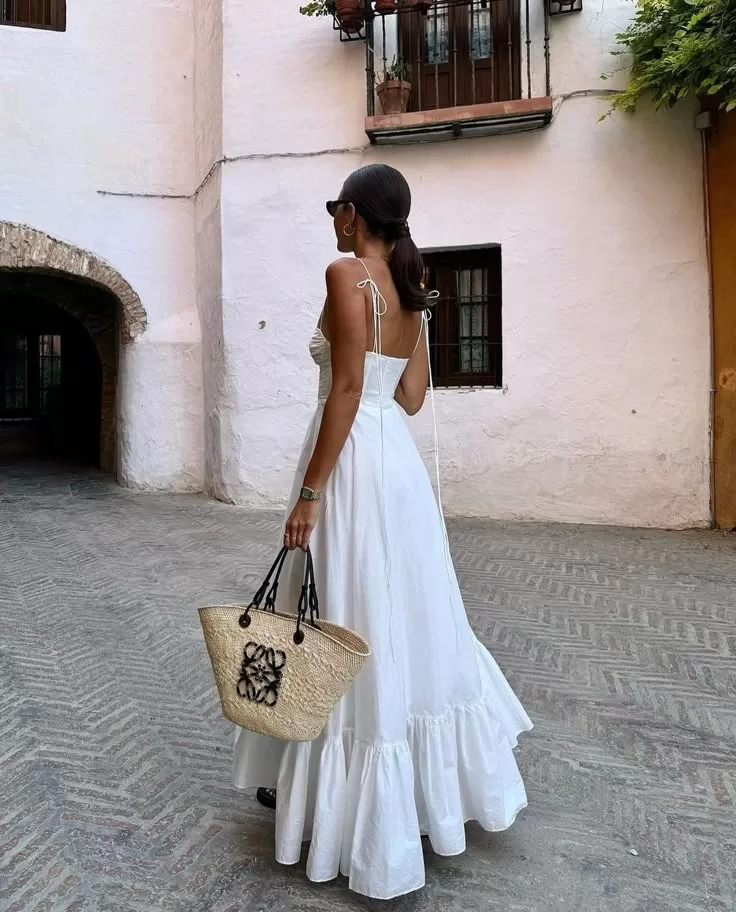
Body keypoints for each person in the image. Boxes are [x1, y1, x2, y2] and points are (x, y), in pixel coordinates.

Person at [232, 163, 532, 900]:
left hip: (353, 463)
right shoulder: (408, 287)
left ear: (355, 214)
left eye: (338, 206)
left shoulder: (346, 274)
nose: (332, 217)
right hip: (394, 464)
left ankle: (337, 796)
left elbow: (342, 389)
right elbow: (414, 396)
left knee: (341, 613)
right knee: (401, 613)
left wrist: (309, 492)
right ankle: (419, 801)